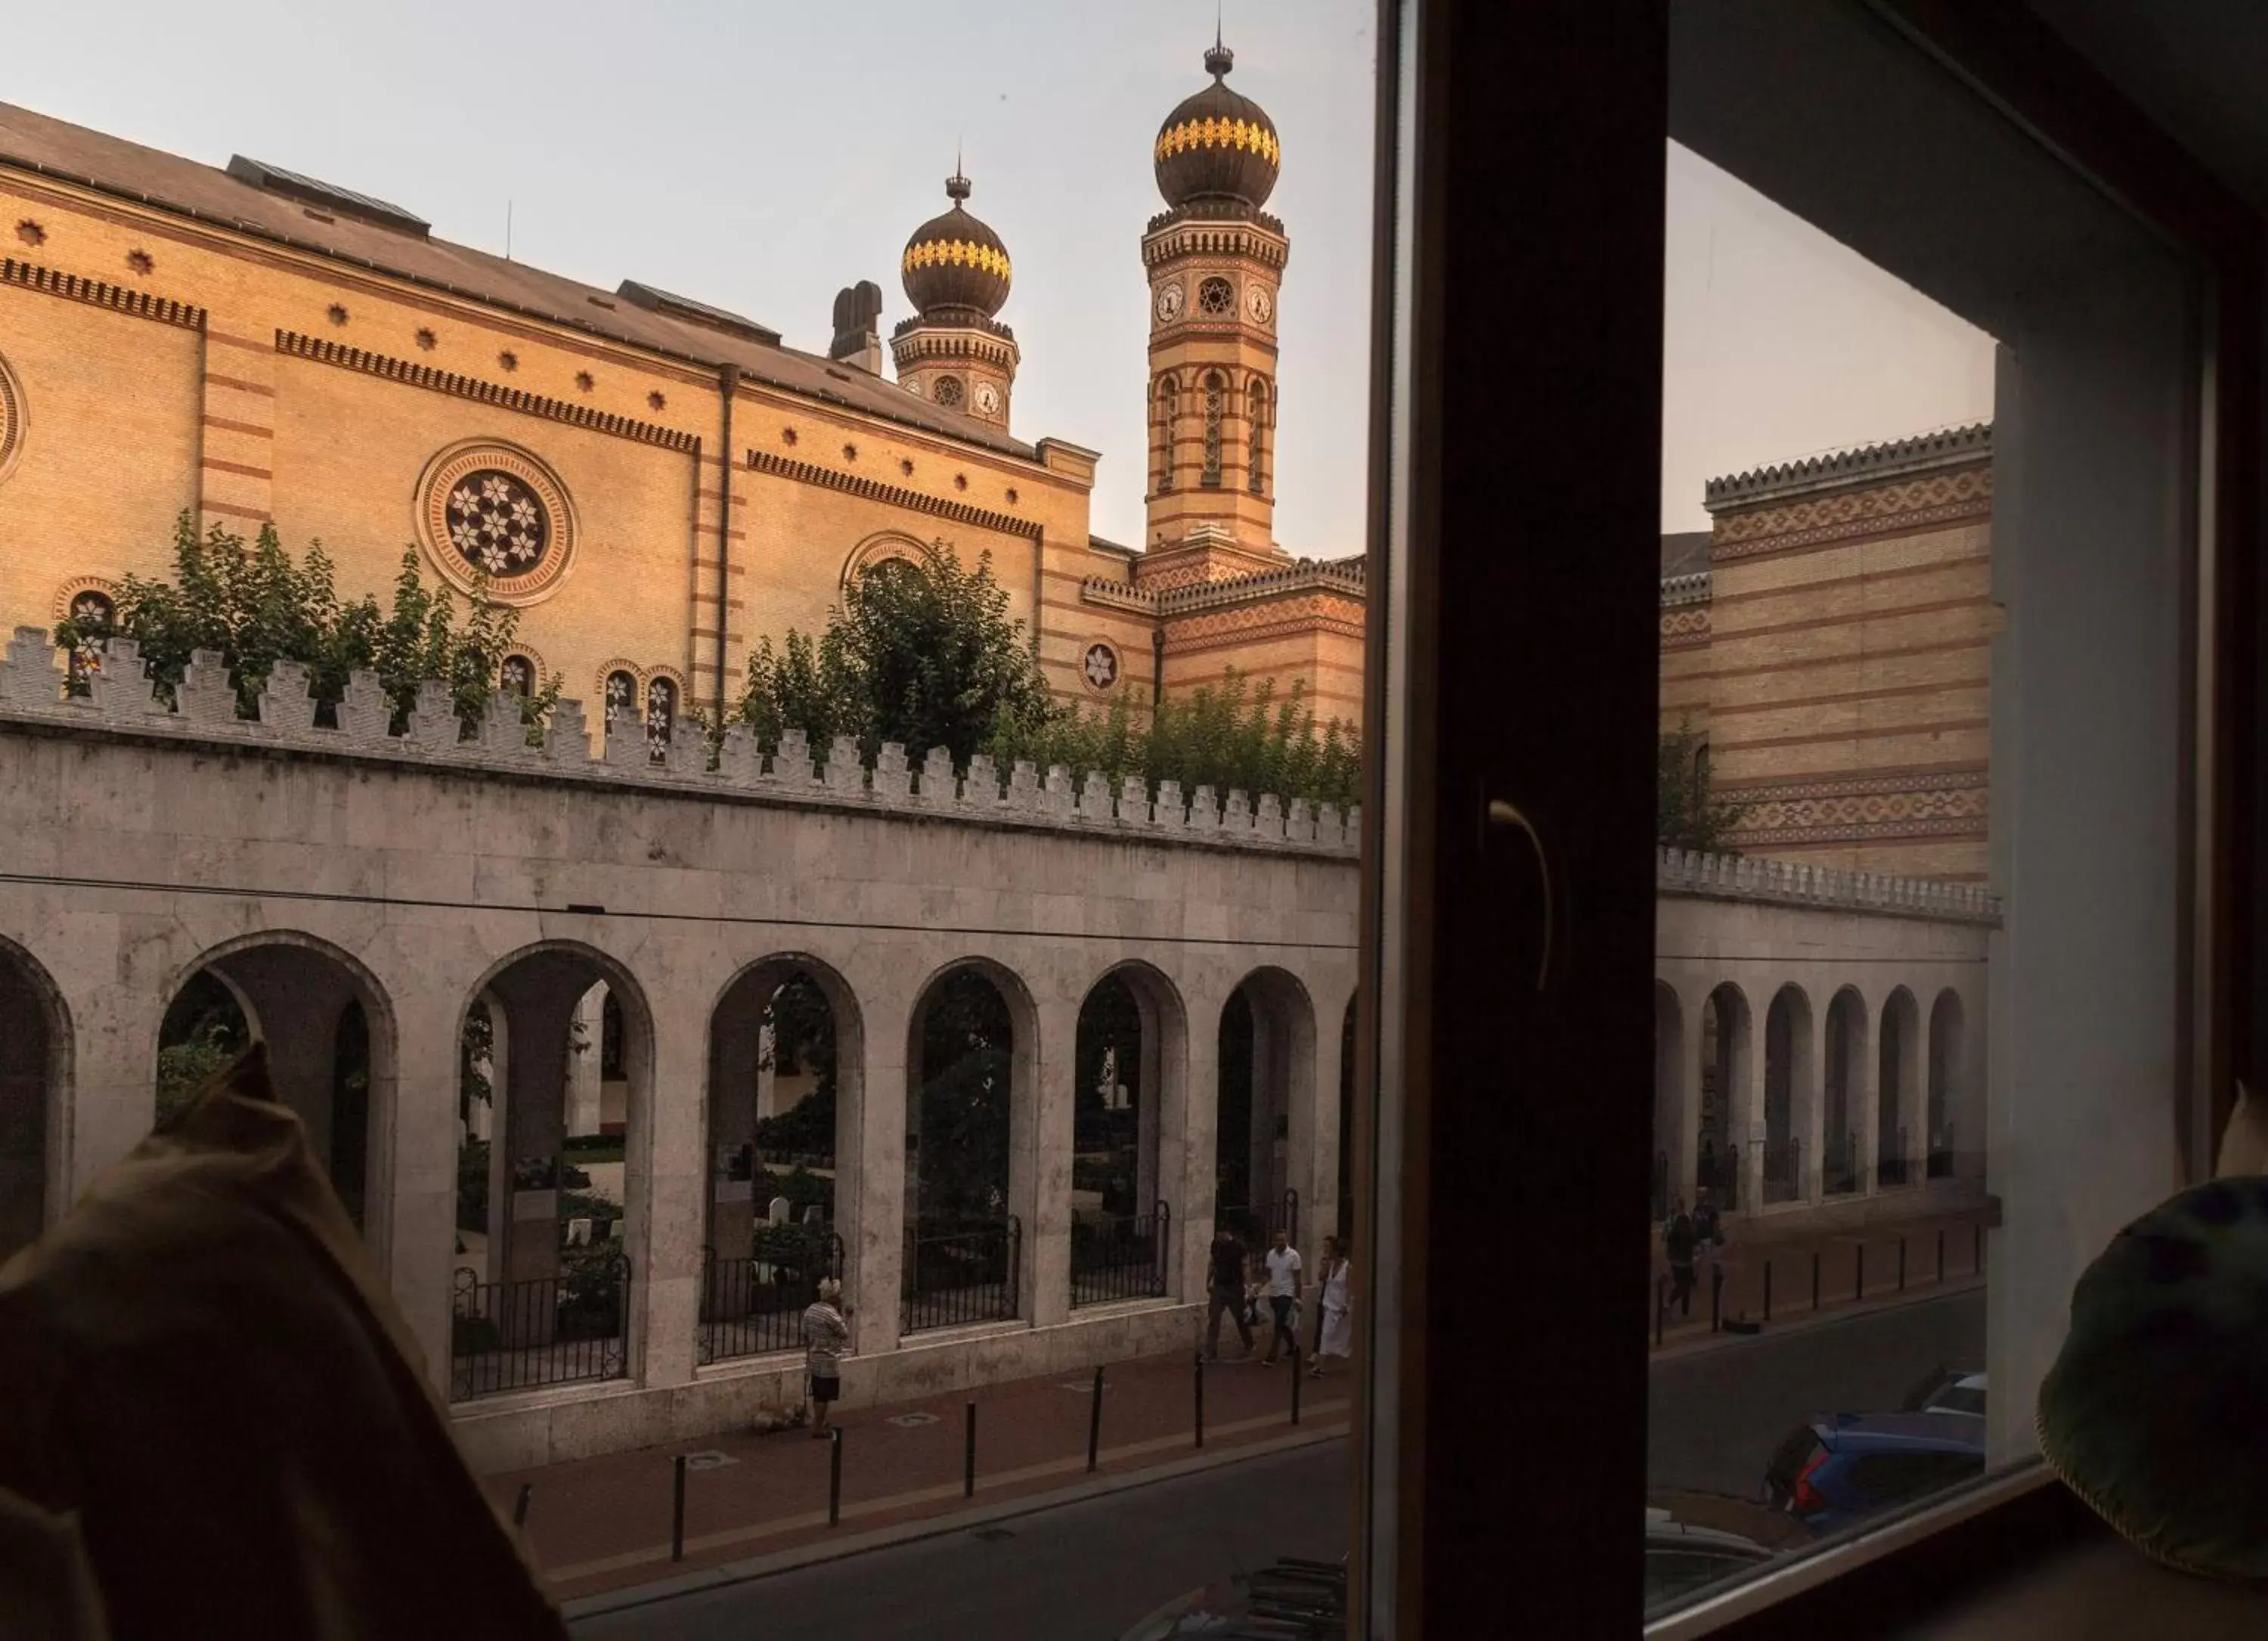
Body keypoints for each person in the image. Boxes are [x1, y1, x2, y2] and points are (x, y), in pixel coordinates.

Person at [802, 1277, 852, 1437]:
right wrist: (848, 1317)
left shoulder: (812, 1310)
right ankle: (818, 1427)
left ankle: (820, 1422)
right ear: (835, 1297)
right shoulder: (832, 1315)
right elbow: (844, 1334)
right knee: (825, 1396)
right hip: (828, 1359)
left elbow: (805, 1333)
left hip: (814, 1357)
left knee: (818, 1394)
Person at [1205, 1224, 1253, 1361]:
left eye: (1220, 1234)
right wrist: (1208, 1281)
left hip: (1235, 1287)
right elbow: (1212, 1263)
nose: (1218, 1237)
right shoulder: (1216, 1245)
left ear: (1226, 1233)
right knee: (1214, 1319)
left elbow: (1246, 1266)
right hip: (1219, 1286)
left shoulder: (1239, 1247)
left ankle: (1249, 1344)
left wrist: (1249, 1287)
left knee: (1240, 1318)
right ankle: (1211, 1351)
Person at [1309, 1236, 1352, 1379]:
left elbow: (1350, 1288)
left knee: (1344, 1338)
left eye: (1330, 1249)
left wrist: (1346, 1305)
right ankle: (1319, 1367)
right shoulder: (1330, 1265)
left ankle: (1354, 1362)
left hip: (1341, 1307)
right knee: (1326, 1335)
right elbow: (1321, 1278)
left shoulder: (1348, 1268)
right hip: (1329, 1305)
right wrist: (1324, 1266)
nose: (1327, 1252)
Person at [1261, 1226, 1303, 1366]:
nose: (1281, 1242)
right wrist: (1259, 1287)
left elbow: (1297, 1279)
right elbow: (1268, 1273)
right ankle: (1293, 1346)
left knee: (1278, 1325)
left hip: (1286, 1293)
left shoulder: (1294, 1256)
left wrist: (1298, 1297)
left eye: (1283, 1239)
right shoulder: (1271, 1255)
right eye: (1278, 1240)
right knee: (1283, 1324)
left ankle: (1271, 1356)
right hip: (1274, 1293)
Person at [1662, 1194, 1698, 1317]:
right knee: (1684, 1285)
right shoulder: (1682, 1221)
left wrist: (1669, 1256)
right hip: (1684, 1259)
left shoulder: (1676, 1221)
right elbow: (1693, 1239)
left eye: (1676, 1203)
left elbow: (1669, 1238)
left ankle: (1678, 1307)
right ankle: (1678, 1307)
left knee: (1682, 1283)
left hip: (1678, 1259)